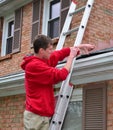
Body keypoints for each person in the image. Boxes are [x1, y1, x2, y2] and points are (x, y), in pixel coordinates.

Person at [21, 34, 95, 130]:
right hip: (35, 117)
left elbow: (59, 54)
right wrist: (71, 58)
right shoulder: (34, 66)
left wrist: (80, 47)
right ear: (41, 51)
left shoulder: (43, 60)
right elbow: (61, 75)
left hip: (42, 115)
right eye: (50, 49)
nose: (52, 52)